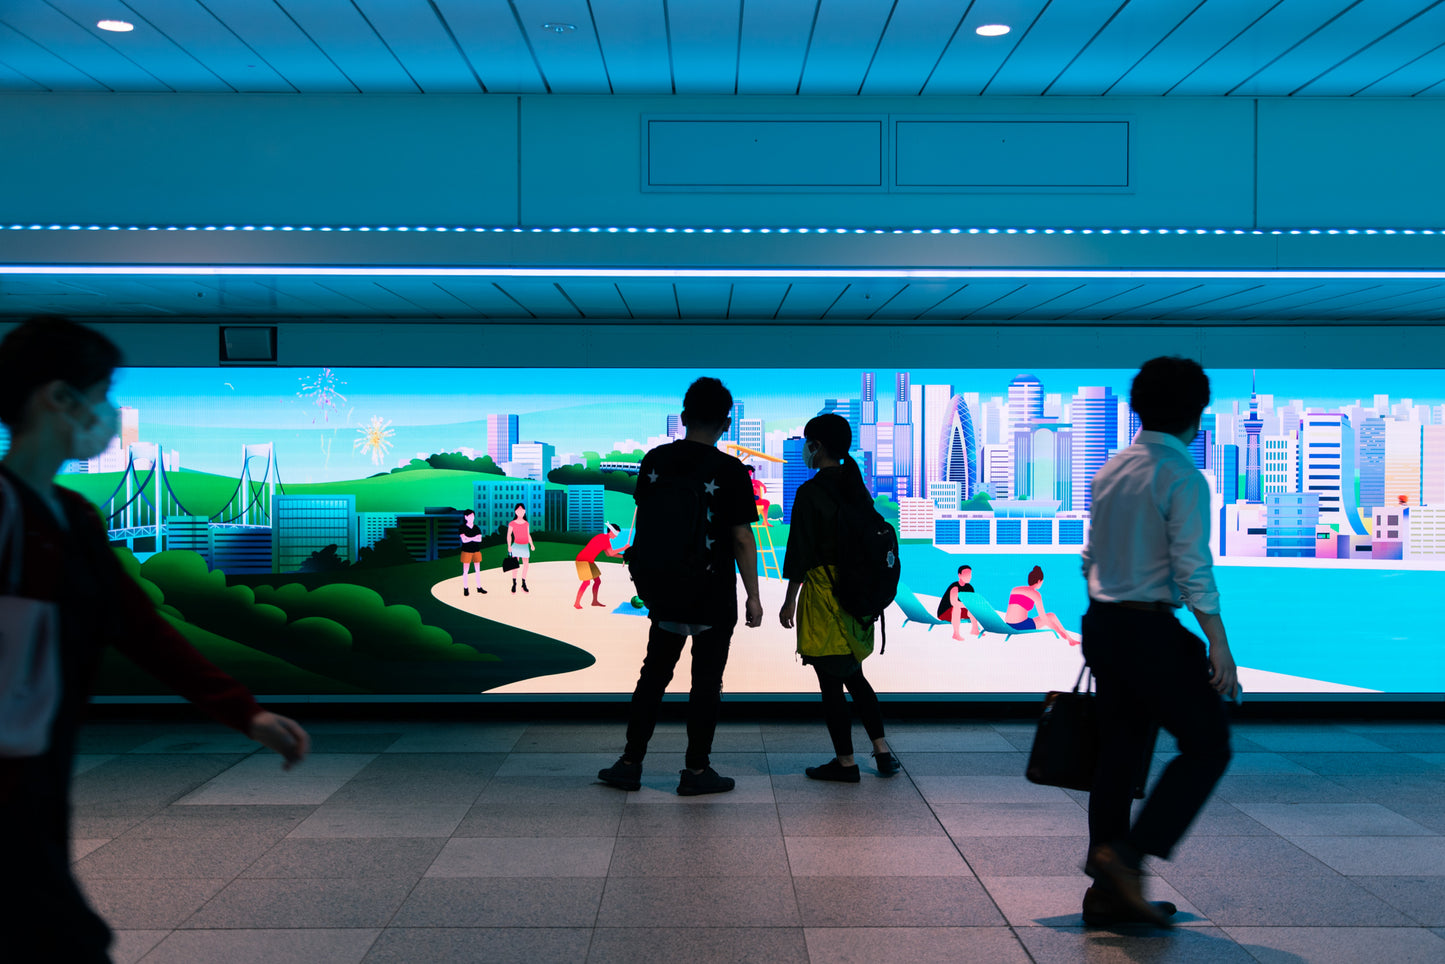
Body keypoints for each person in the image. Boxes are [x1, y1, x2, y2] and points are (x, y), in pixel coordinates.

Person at [0, 317, 311, 962]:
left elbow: (139, 627)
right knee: (63, 935)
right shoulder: (6, 513)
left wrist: (243, 712)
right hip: (10, 763)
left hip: (38, 758)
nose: (108, 412)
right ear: (58, 397)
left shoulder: (73, 515)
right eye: (103, 390)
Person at [1079, 356, 1237, 928]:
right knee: (1208, 744)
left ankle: (1106, 897)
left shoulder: (1111, 468)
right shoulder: (1182, 475)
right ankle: (1124, 859)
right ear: (1198, 413)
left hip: (1102, 624)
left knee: (1118, 756)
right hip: (1147, 628)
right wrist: (1218, 644)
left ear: (1135, 407)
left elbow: (1088, 556)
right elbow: (1193, 568)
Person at [598, 377, 763, 796]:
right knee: (706, 684)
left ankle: (630, 763)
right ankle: (695, 771)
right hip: (712, 593)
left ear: (684, 417)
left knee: (653, 677)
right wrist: (754, 598)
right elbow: (742, 537)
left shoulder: (655, 460)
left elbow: (647, 518)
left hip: (665, 590)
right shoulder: (730, 471)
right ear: (727, 423)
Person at [778, 413, 899, 782]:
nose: (803, 449)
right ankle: (881, 752)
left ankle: (846, 762)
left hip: (824, 597)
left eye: (806, 442)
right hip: (857, 597)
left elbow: (800, 552)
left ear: (816, 446)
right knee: (855, 676)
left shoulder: (810, 492)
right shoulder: (855, 484)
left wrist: (789, 601)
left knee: (831, 683)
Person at [1004, 565, 1081, 645]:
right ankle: (1069, 639)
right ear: (1039, 581)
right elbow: (1043, 618)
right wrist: (1058, 631)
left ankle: (1069, 639)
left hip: (1008, 624)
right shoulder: (1035, 594)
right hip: (1020, 625)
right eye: (1042, 582)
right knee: (1051, 616)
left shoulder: (1015, 589)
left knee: (1049, 616)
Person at [574, 522, 624, 609]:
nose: (616, 536)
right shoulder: (603, 537)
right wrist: (624, 548)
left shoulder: (606, 540)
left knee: (597, 581)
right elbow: (611, 553)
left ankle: (594, 601)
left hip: (590, 561)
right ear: (611, 531)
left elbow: (609, 554)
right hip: (582, 560)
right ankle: (576, 603)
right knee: (586, 582)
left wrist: (624, 556)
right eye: (616, 533)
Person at [938, 563, 981, 640]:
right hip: (945, 612)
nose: (969, 576)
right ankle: (956, 634)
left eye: (970, 574)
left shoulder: (970, 587)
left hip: (960, 611)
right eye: (966, 574)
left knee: (973, 609)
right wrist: (968, 605)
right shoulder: (955, 587)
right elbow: (954, 602)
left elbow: (972, 602)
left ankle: (975, 630)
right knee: (957, 607)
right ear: (959, 575)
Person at [506, 502, 534, 593]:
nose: (520, 512)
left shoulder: (526, 523)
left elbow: (528, 534)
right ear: (515, 511)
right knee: (515, 566)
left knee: (526, 565)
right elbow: (509, 535)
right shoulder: (512, 523)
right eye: (518, 510)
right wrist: (509, 546)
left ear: (525, 511)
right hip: (516, 546)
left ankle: (523, 583)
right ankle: (514, 583)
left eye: (522, 510)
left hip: (525, 546)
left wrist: (531, 544)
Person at [458, 509, 486, 596]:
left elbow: (480, 539)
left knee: (477, 570)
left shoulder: (476, 527)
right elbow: (464, 540)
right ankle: (466, 588)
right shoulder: (462, 527)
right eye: (470, 516)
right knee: (466, 571)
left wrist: (469, 538)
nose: (472, 518)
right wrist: (474, 538)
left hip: (476, 551)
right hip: (466, 551)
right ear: (465, 517)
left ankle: (479, 587)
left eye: (473, 516)